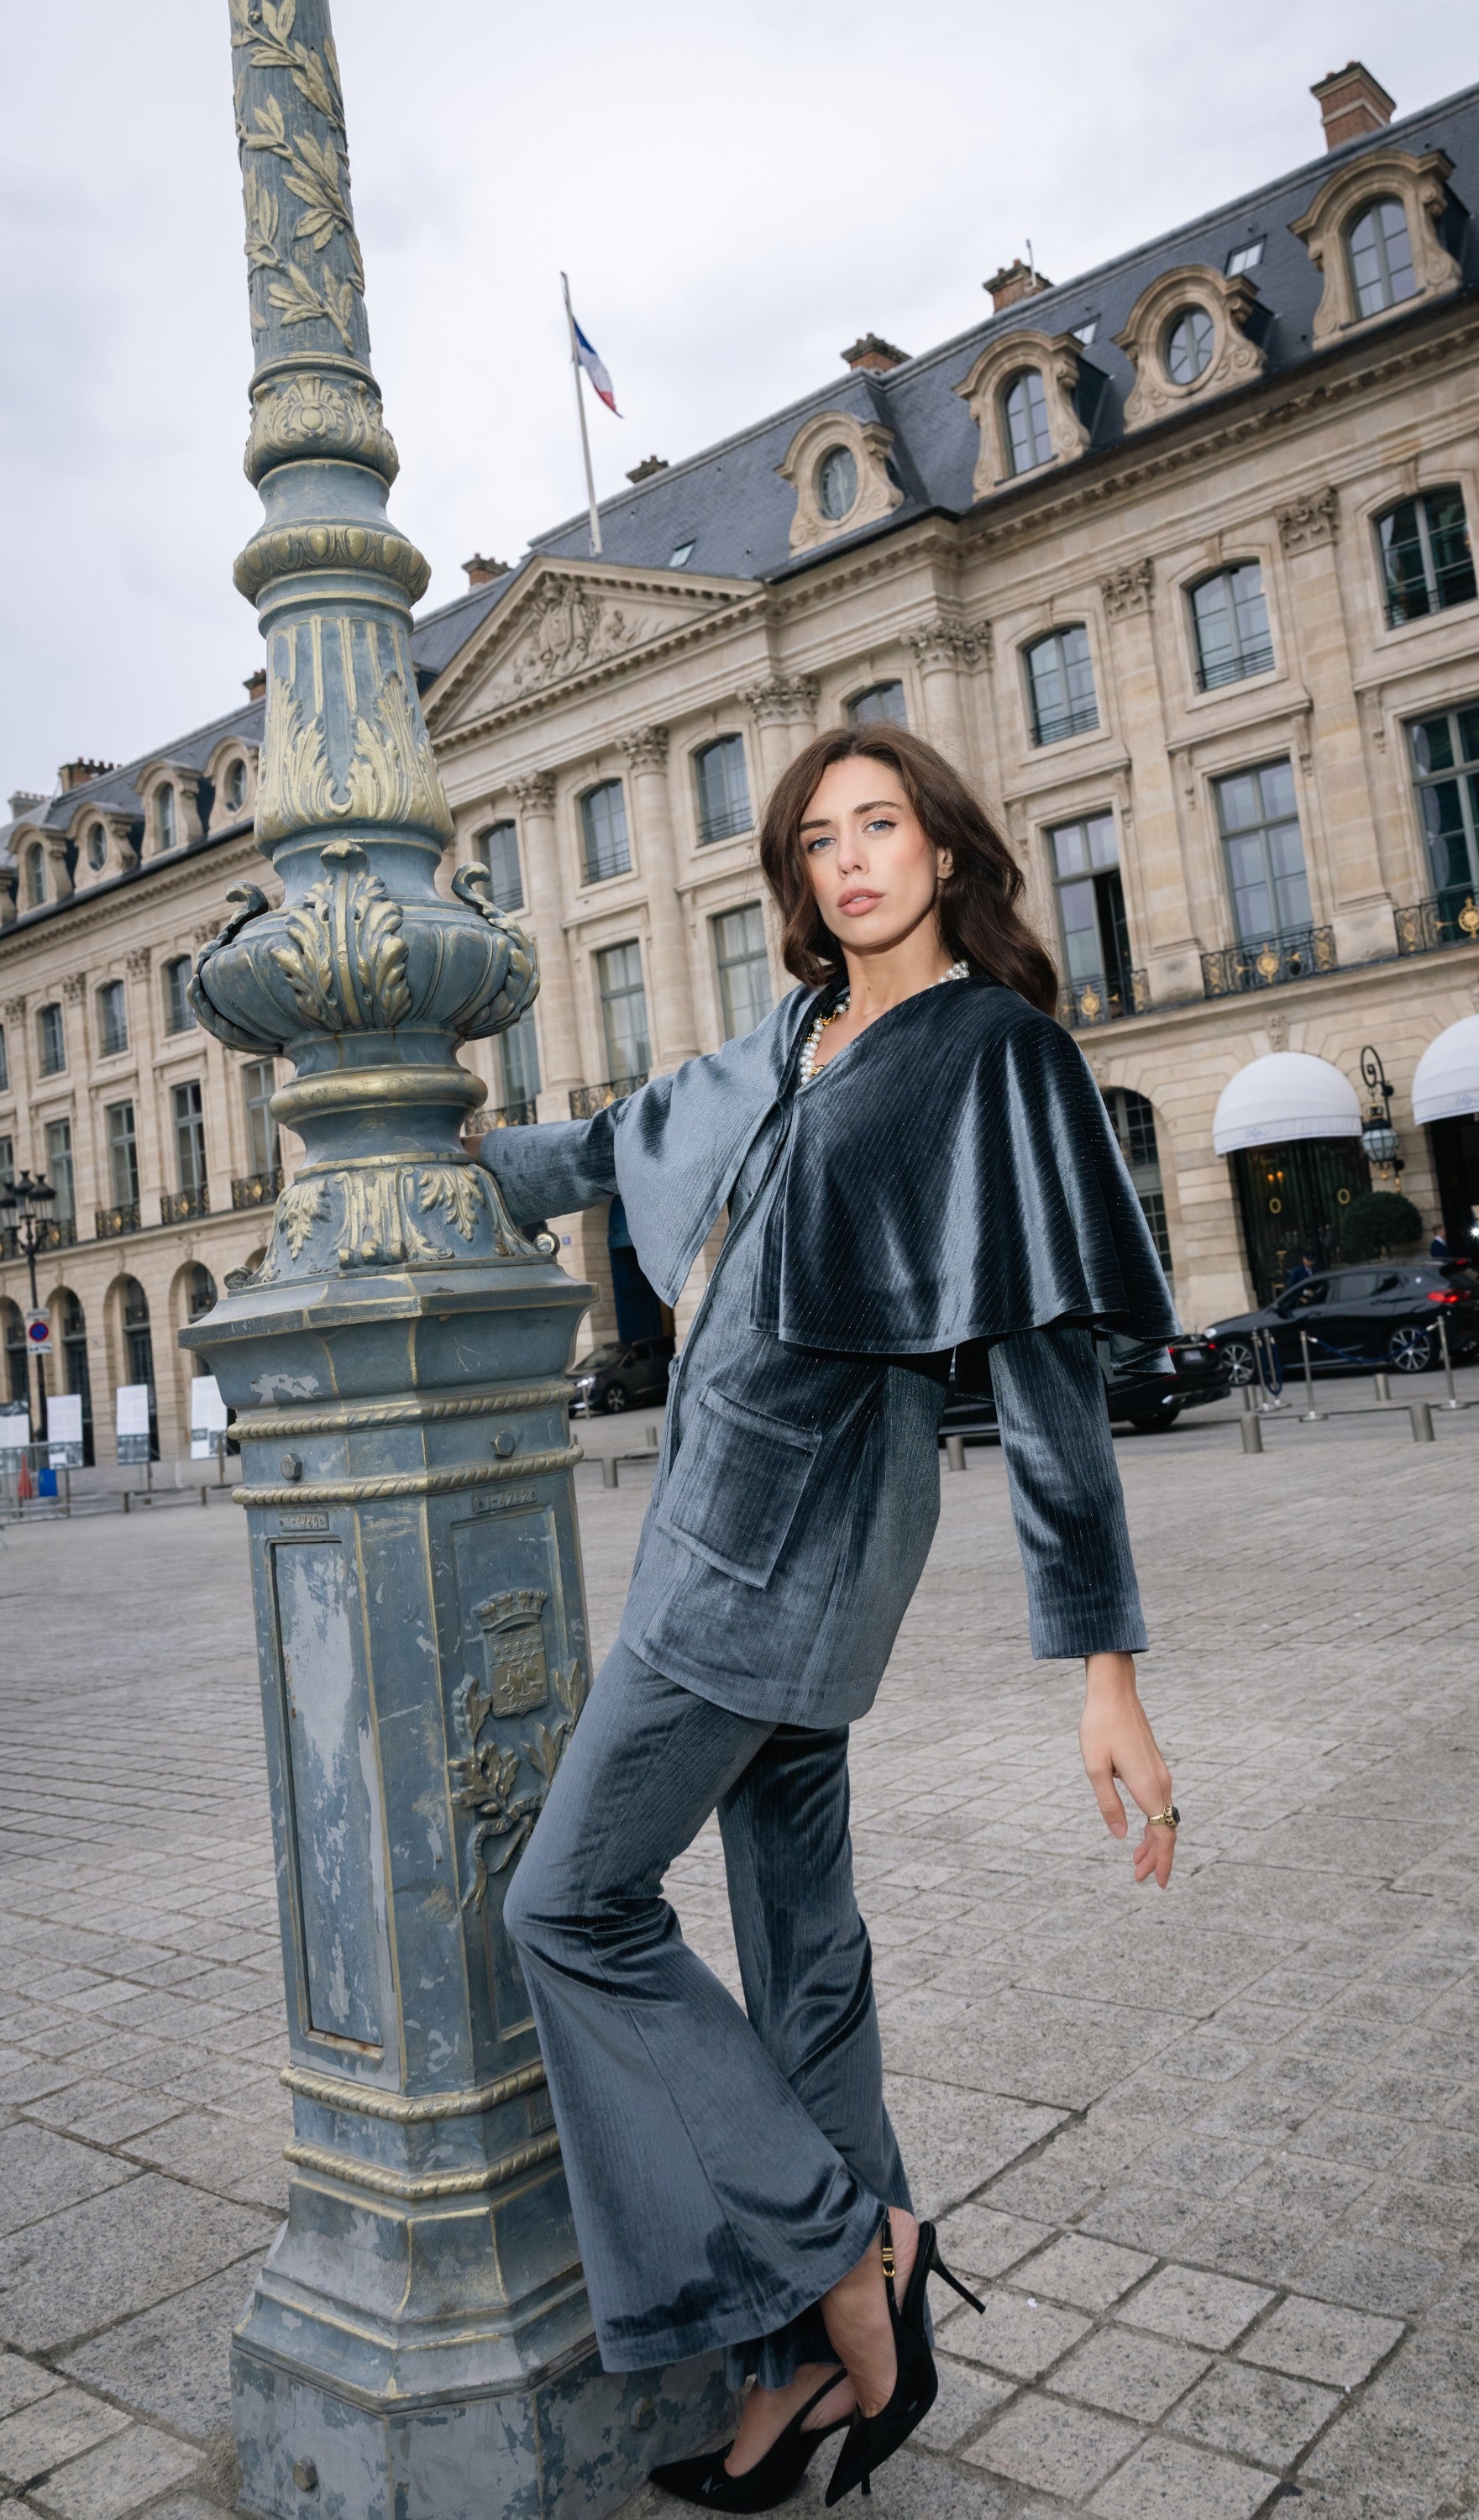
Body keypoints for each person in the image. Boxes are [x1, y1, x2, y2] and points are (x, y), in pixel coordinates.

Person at [474, 727, 1180, 2510]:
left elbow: (1045, 1377)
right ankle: (810, 2374)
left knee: (568, 1903)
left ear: (943, 851)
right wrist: (439, 1160)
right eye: (817, 839)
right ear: (794, 879)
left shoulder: (989, 1053)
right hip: (738, 1543)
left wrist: (1105, 1671)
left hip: (766, 1563)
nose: (849, 859)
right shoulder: (798, 1034)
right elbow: (625, 1138)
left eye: (882, 826)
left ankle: (839, 2250)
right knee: (806, 1956)